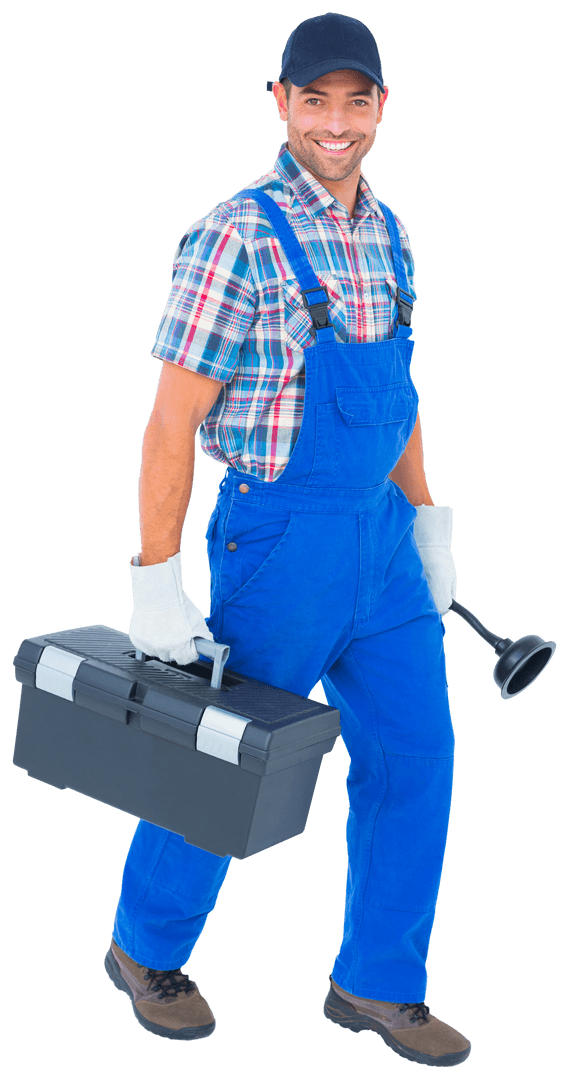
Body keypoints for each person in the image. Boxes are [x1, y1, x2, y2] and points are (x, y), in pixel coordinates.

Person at [103, 13, 471, 1068]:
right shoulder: (237, 234)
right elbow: (172, 417)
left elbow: (394, 396)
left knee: (416, 760)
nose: (336, 122)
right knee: (227, 765)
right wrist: (155, 577)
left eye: (356, 101)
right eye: (315, 100)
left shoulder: (389, 231)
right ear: (281, 102)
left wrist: (430, 523)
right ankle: (145, 947)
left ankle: (376, 981)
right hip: (279, 542)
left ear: (381, 108)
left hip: (384, 543)